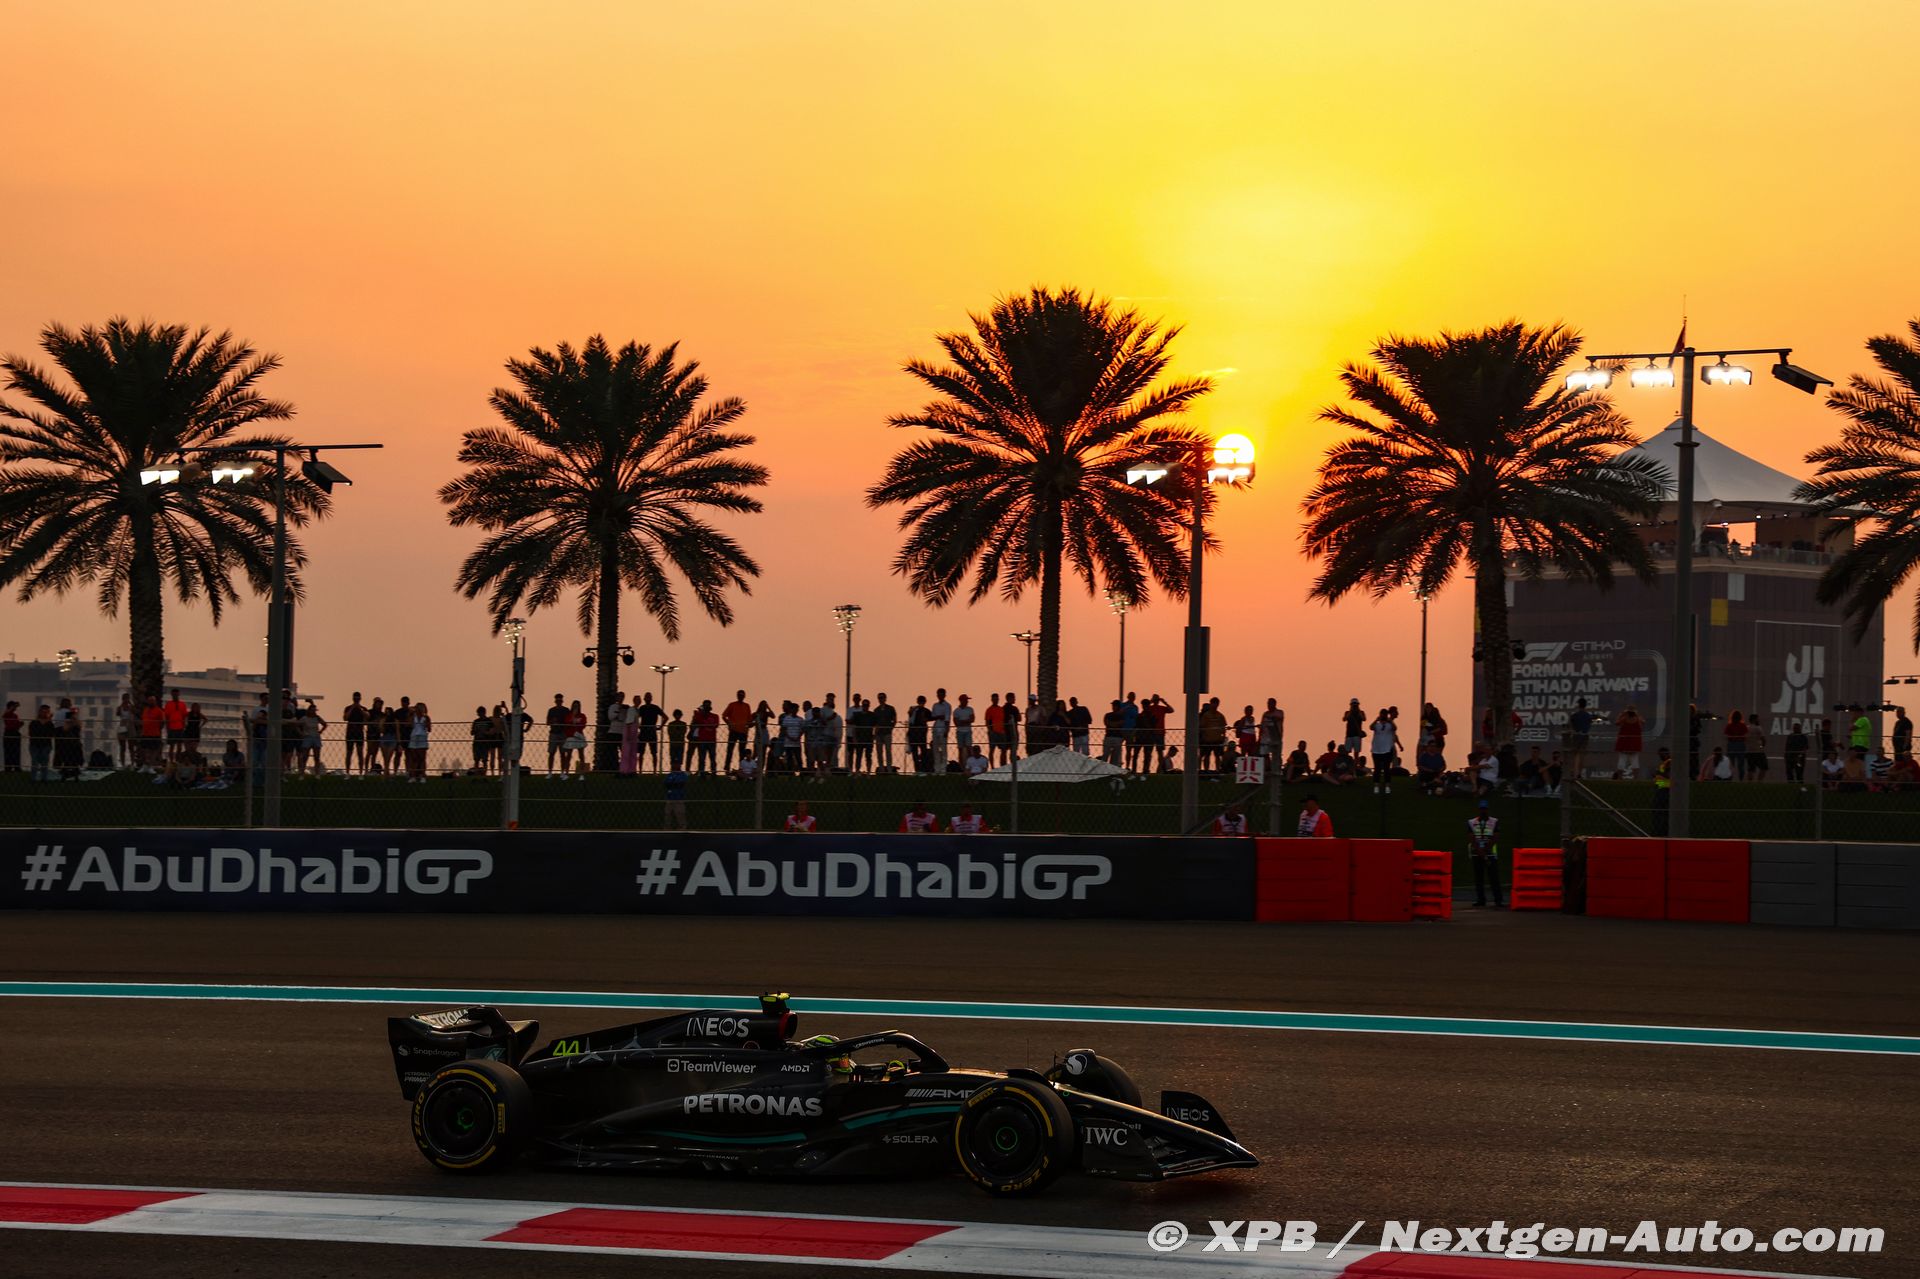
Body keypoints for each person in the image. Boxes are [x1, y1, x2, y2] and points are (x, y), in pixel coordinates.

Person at [1467, 801, 1502, 908]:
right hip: (1476, 853)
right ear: (1479, 810)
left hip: (1490, 854)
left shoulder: (1494, 821)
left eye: (1485, 809)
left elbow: (1496, 836)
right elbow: (1471, 837)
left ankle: (1498, 900)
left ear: (1488, 809)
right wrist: (1479, 850)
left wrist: (1486, 849)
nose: (1483, 811)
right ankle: (1481, 899)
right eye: (1482, 809)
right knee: (1479, 878)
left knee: (1494, 878)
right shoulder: (1471, 822)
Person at [1368, 708, 1398, 792]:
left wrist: (1390, 721)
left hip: (1387, 749)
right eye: (1382, 714)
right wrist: (1376, 720)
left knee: (1386, 769)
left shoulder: (1389, 725)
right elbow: (1371, 727)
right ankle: (1376, 786)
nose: (1383, 716)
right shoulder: (1377, 725)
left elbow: (1395, 728)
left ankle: (1387, 786)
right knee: (1377, 769)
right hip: (1376, 750)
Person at [722, 690, 753, 770]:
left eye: (742, 695)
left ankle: (741, 768)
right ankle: (727, 767)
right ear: (737, 696)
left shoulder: (747, 706)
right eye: (739, 695)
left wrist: (751, 724)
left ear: (744, 696)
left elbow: (749, 719)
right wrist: (729, 723)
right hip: (734, 731)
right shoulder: (732, 705)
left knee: (742, 751)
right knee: (730, 749)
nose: (740, 696)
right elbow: (724, 715)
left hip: (743, 731)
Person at [634, 692, 664, 771]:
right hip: (644, 731)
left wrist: (660, 727)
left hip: (650, 731)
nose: (648, 699)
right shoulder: (642, 708)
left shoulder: (654, 707)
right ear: (644, 699)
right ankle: (640, 770)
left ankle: (654, 770)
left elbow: (665, 717)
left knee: (653, 753)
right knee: (641, 752)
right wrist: (639, 726)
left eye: (649, 697)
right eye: (647, 697)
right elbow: (636, 718)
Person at [1199, 697, 1229, 772]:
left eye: (1216, 703)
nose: (1214, 705)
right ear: (1211, 704)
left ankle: (1217, 770)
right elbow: (1202, 726)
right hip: (1207, 739)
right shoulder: (1206, 715)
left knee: (1218, 756)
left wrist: (1223, 737)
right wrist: (1203, 737)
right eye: (1213, 703)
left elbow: (1223, 727)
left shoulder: (1220, 715)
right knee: (1206, 755)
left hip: (1217, 739)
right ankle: (1206, 770)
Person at [1613, 704, 1644, 778]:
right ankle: (1636, 778)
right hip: (1634, 743)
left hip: (1624, 742)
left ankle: (1620, 777)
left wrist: (1621, 715)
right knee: (1635, 761)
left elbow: (1616, 723)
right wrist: (1637, 715)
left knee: (1622, 760)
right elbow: (1643, 722)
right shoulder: (1638, 719)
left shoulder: (1624, 719)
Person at [692, 700, 721, 774]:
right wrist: (700, 713)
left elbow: (716, 725)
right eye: (705, 706)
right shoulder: (699, 715)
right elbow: (695, 721)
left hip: (711, 740)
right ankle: (702, 773)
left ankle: (713, 772)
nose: (707, 707)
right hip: (702, 739)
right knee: (702, 758)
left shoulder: (715, 716)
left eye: (708, 705)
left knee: (712, 757)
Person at [871, 693, 898, 772]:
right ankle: (881, 768)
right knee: (879, 752)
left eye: (882, 698)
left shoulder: (890, 708)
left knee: (888, 751)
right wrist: (875, 733)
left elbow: (894, 720)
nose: (881, 699)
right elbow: (875, 723)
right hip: (879, 734)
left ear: (885, 698)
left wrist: (890, 728)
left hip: (887, 733)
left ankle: (889, 768)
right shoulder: (876, 710)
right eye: (879, 698)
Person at [406, 703, 431, 782]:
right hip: (414, 737)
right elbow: (408, 724)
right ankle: (413, 775)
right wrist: (410, 714)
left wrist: (426, 723)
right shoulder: (413, 717)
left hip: (422, 737)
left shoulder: (426, 717)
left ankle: (422, 775)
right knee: (414, 758)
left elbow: (429, 728)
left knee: (422, 758)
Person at [162, 688, 189, 759]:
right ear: (172, 694)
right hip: (172, 727)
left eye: (176, 694)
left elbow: (184, 716)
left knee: (179, 747)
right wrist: (167, 727)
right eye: (174, 694)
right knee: (172, 746)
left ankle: (177, 760)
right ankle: (171, 761)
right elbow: (167, 716)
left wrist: (184, 726)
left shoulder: (182, 704)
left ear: (178, 694)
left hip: (180, 727)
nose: (175, 696)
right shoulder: (168, 704)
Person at [906, 696, 931, 773]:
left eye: (922, 701)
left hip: (920, 734)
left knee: (922, 751)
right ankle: (918, 769)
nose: (921, 703)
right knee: (915, 752)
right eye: (920, 701)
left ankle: (923, 769)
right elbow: (909, 714)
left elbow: (930, 717)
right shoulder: (913, 709)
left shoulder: (926, 711)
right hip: (914, 733)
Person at [1651, 747, 1672, 835]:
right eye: (1660, 754)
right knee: (1659, 813)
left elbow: (1669, 776)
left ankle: (1661, 831)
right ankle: (1659, 831)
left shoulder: (1669, 762)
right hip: (1662, 788)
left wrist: (1659, 775)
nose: (1661, 756)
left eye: (1662, 754)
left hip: (1665, 789)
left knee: (1662, 813)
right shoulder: (1664, 763)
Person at [1723, 709, 1750, 780]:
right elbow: (1746, 735)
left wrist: (1732, 737)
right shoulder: (1743, 725)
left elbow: (1726, 735)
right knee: (1741, 764)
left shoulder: (1729, 725)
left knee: (1731, 764)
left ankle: (1730, 778)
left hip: (1731, 745)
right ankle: (1741, 779)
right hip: (1740, 745)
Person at [929, 688, 952, 769]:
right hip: (936, 729)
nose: (940, 696)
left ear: (944, 695)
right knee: (935, 749)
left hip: (943, 729)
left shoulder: (947, 705)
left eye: (942, 694)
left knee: (943, 749)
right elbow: (933, 717)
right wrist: (939, 716)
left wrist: (947, 730)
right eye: (939, 694)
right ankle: (937, 768)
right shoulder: (935, 705)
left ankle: (943, 768)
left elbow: (947, 719)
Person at [662, 761, 689, 829]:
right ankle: (667, 828)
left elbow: (681, 783)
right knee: (667, 814)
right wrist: (674, 783)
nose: (675, 765)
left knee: (680, 814)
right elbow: (666, 783)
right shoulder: (670, 775)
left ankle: (682, 827)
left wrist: (672, 783)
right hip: (670, 797)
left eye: (677, 764)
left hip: (679, 798)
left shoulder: (683, 774)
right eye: (674, 764)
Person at [114, 693, 136, 767]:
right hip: (122, 725)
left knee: (131, 746)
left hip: (130, 725)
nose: (126, 700)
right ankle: (122, 763)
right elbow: (117, 713)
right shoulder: (120, 707)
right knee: (122, 746)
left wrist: (130, 704)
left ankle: (132, 763)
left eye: (127, 698)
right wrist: (121, 705)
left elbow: (135, 711)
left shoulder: (131, 707)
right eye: (125, 698)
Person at [2, 701, 21, 772]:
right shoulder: (7, 714)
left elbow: (16, 724)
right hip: (9, 733)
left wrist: (20, 724)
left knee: (16, 751)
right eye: (14, 706)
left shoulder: (15, 715)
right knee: (8, 751)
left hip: (15, 732)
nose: (15, 708)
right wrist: (14, 705)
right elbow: (5, 715)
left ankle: (16, 767)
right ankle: (8, 767)